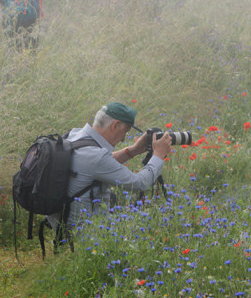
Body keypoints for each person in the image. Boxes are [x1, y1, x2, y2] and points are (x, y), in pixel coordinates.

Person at [44, 102, 172, 240]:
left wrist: (133, 150)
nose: (123, 138)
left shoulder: (74, 135)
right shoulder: (97, 157)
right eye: (125, 131)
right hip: (88, 235)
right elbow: (139, 183)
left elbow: (94, 164)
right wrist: (158, 155)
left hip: (62, 223)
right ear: (115, 125)